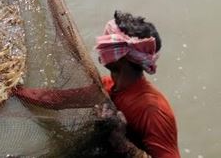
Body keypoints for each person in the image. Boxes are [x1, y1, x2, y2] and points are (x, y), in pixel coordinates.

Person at [14, 11, 180, 158]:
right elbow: (59, 99)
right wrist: (14, 91)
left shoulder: (153, 111)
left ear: (122, 58)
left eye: (106, 47)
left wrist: (120, 141)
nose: (100, 50)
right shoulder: (107, 86)